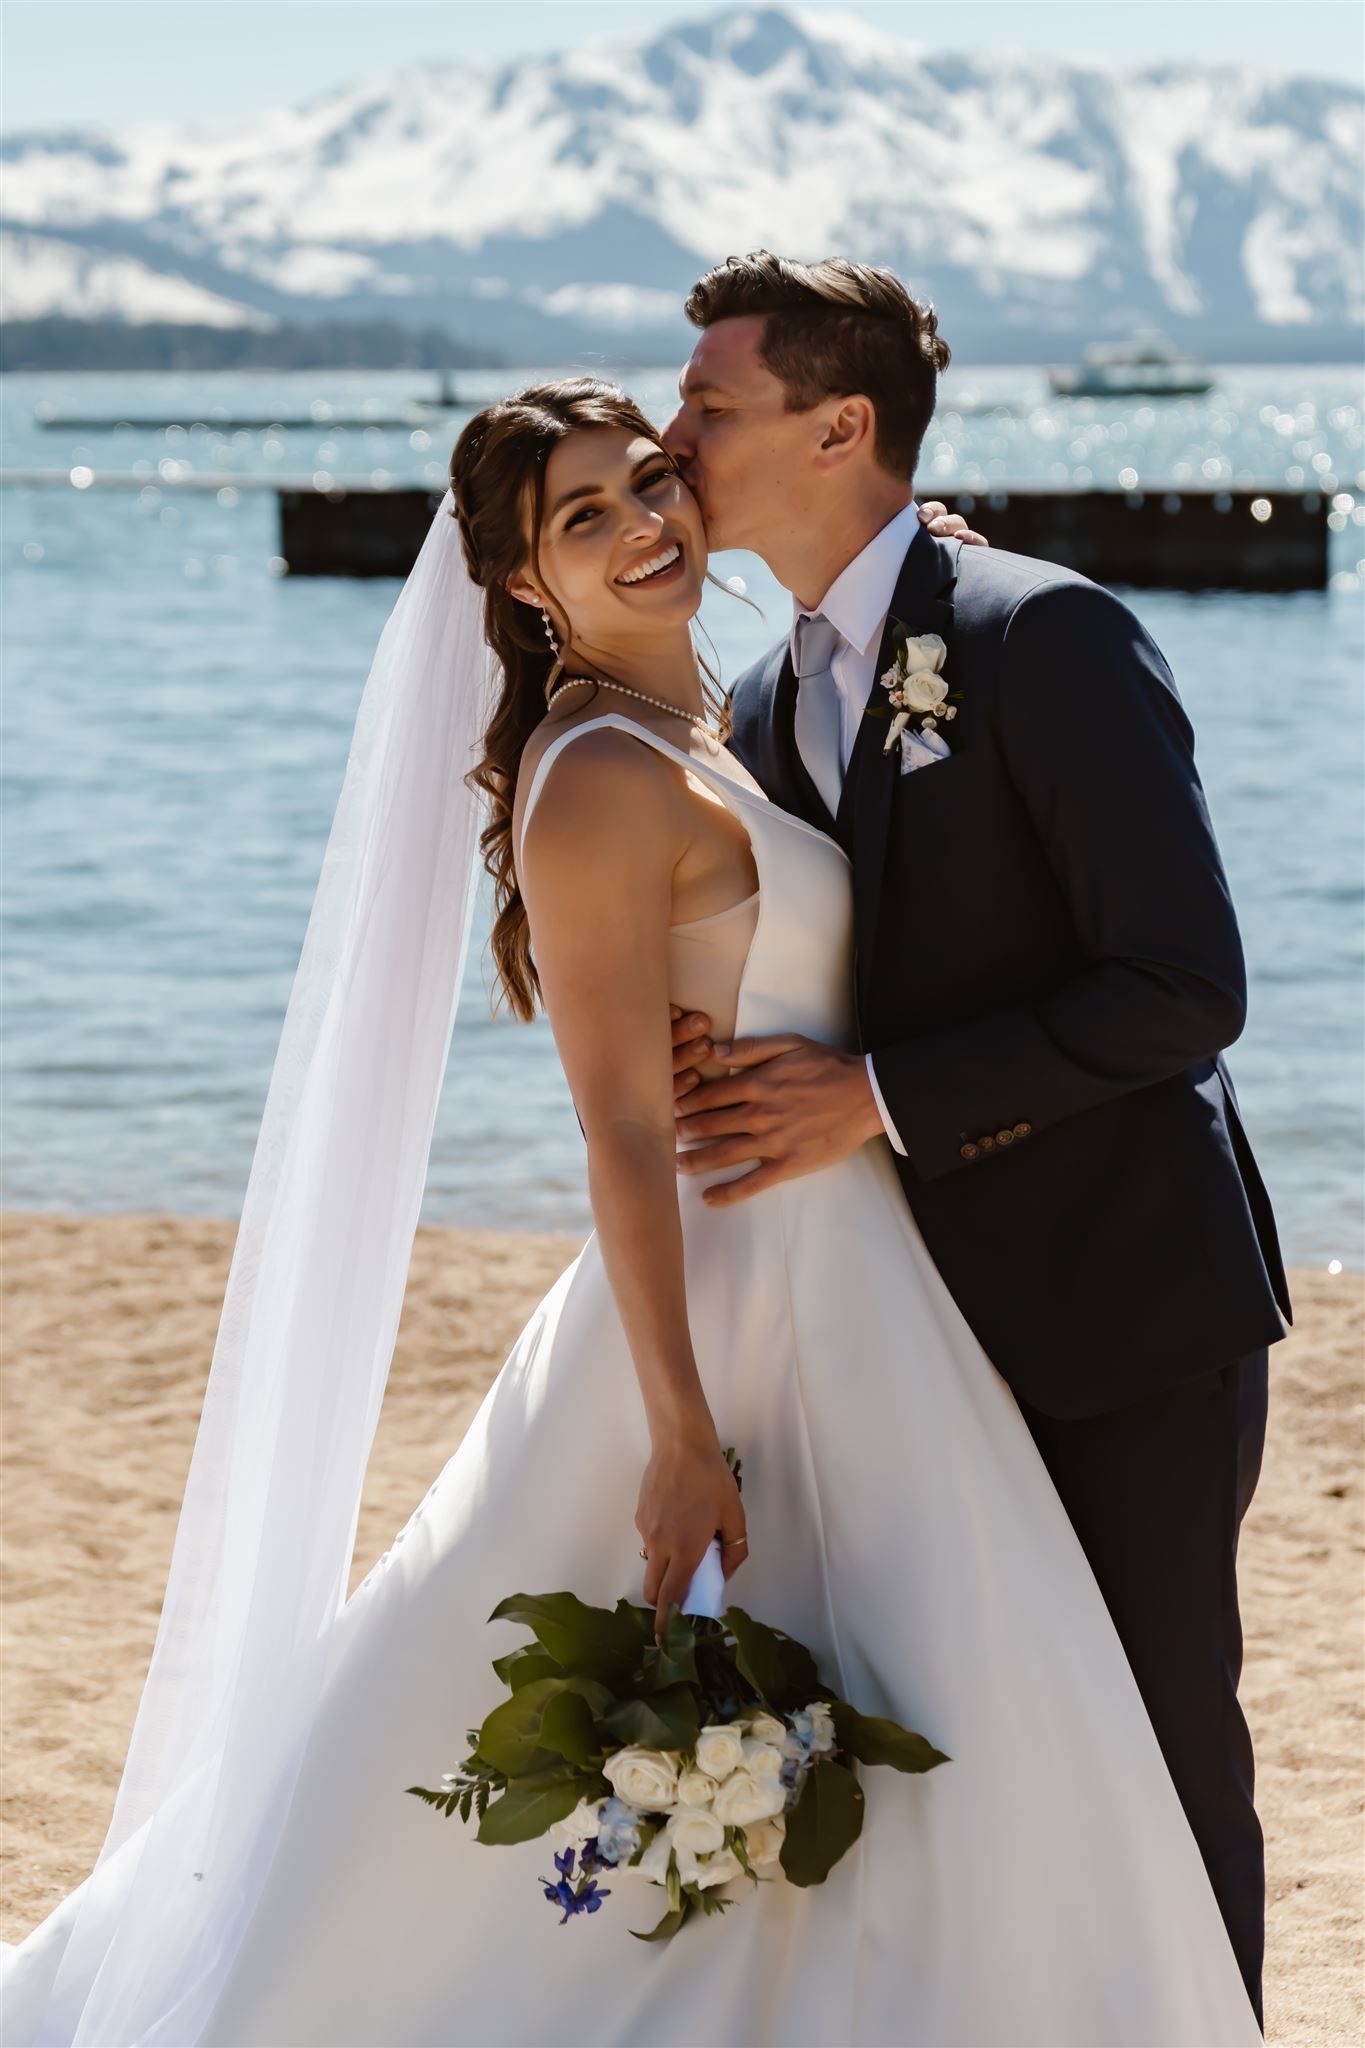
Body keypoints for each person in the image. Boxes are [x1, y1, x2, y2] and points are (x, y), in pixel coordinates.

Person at [2, 377, 1262, 2048]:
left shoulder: (722, 718)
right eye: (581, 518)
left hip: (861, 1271)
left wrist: (911, 567)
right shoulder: (597, 772)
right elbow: (614, 1126)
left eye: (651, 482)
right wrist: (675, 1422)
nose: (644, 524)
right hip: (731, 1293)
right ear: (523, 586)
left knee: (941, 1680)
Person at [660, 251, 1291, 2028]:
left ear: (837, 423)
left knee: (1156, 1737)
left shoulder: (1043, 634)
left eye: (709, 404)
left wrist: (865, 1102)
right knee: (992, 1751)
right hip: (906, 1333)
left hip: (1120, 1304)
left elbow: (1182, 987)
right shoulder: (772, 699)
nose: (674, 433)